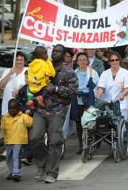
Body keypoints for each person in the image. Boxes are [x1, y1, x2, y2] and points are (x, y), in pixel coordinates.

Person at [30, 44, 78, 184]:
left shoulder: (69, 72)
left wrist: (56, 88)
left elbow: (73, 91)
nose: (54, 53)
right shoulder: (43, 66)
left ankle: (52, 172)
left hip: (58, 110)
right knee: (34, 137)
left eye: (58, 51)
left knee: (55, 141)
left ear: (64, 55)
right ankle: (42, 166)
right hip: (41, 109)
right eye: (53, 51)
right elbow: (33, 84)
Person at [71, 52, 100, 154]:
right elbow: (71, 87)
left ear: (87, 61)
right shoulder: (73, 73)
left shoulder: (93, 72)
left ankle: (92, 143)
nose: (82, 62)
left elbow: (97, 86)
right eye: (80, 60)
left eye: (84, 59)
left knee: (91, 121)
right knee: (79, 123)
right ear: (77, 62)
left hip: (90, 99)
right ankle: (82, 145)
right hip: (78, 100)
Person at [0, 99, 33, 182]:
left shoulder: (24, 117)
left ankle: (16, 173)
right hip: (9, 141)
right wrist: (2, 138)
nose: (11, 110)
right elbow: (3, 129)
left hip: (19, 140)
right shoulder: (5, 117)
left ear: (19, 108)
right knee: (9, 158)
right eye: (9, 108)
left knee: (16, 157)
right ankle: (12, 172)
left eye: (13, 108)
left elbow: (31, 123)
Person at [96, 51, 128, 123]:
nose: (115, 62)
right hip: (107, 102)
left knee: (121, 118)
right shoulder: (105, 73)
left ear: (119, 60)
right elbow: (101, 87)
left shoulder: (125, 72)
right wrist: (98, 95)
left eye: (116, 59)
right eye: (112, 60)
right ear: (109, 62)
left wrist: (122, 95)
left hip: (121, 102)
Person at [0, 52, 28, 117]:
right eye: (17, 60)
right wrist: (10, 73)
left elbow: (31, 87)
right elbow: (0, 86)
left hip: (20, 108)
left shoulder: (28, 71)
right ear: (14, 61)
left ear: (24, 61)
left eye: (21, 60)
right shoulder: (7, 71)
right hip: (6, 107)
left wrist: (20, 91)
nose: (19, 62)